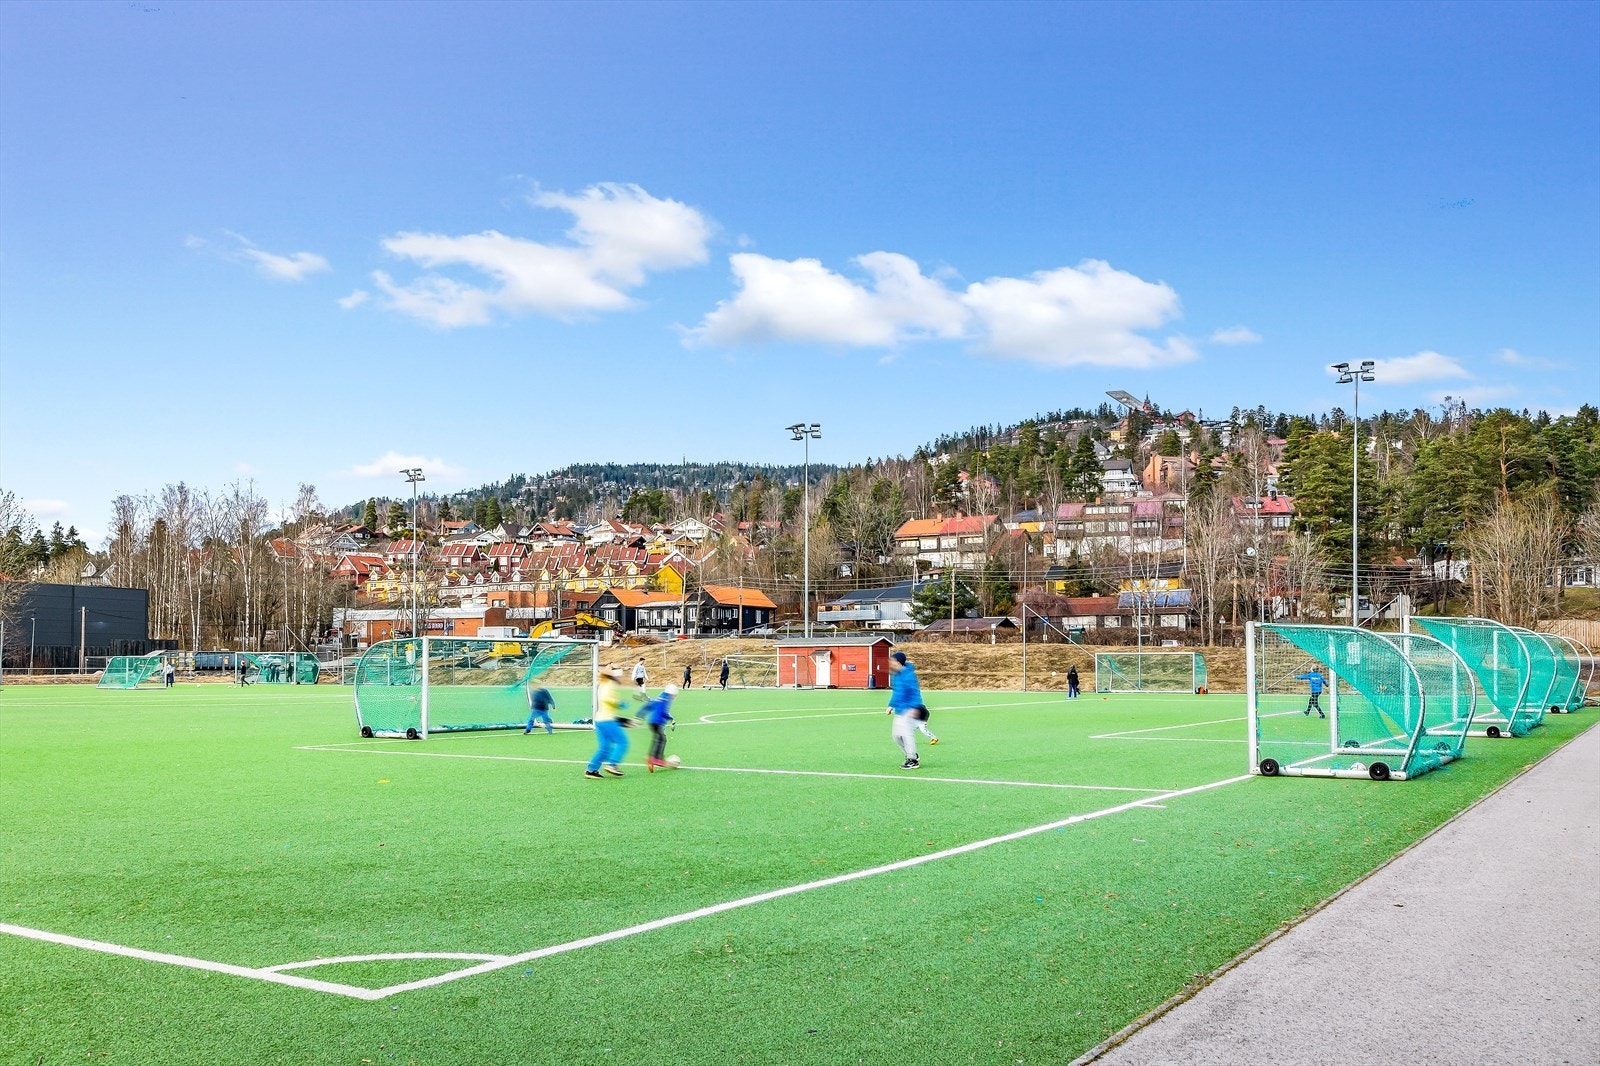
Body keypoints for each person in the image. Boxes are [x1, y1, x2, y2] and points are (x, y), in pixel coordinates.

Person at [585, 667, 632, 779]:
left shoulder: (601, 684)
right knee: (623, 742)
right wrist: (620, 704)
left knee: (605, 747)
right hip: (607, 720)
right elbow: (608, 700)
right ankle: (612, 764)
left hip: (599, 720)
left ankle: (591, 770)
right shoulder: (609, 683)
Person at [885, 651, 925, 769]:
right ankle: (911, 754)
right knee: (896, 736)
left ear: (898, 663)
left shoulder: (909, 675)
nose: (890, 663)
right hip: (899, 710)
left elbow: (915, 692)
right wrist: (891, 705)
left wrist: (915, 707)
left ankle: (912, 759)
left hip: (909, 709)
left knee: (907, 735)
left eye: (892, 661)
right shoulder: (896, 675)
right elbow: (896, 692)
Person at [643, 684, 678, 771]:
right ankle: (658, 758)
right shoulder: (666, 699)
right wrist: (671, 719)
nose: (674, 697)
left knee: (657, 739)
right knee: (662, 739)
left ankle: (650, 757)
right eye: (674, 695)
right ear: (672, 693)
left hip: (651, 722)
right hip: (657, 722)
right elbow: (664, 713)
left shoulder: (660, 697)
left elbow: (650, 706)